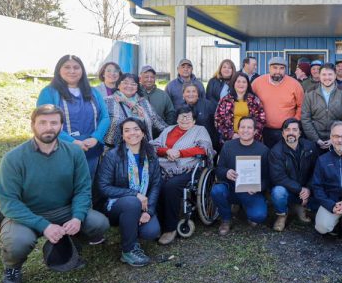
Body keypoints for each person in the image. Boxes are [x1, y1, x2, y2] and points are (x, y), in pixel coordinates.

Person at [0, 105, 110, 283]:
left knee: (99, 223)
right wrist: (44, 226)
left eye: (53, 123)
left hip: (64, 209)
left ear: (61, 126)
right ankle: (12, 268)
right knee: (18, 242)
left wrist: (77, 217)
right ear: (33, 124)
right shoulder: (13, 158)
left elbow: (82, 188)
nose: (48, 127)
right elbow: (9, 202)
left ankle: (73, 244)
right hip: (27, 214)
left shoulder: (74, 153)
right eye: (42, 122)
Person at [96, 117, 161, 267]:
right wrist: (134, 194)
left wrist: (149, 211)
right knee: (132, 202)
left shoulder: (151, 154)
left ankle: (130, 228)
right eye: (127, 130)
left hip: (142, 205)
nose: (132, 133)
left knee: (151, 232)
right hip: (115, 206)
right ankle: (128, 251)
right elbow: (103, 187)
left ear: (143, 133)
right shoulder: (112, 155)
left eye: (136, 129)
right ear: (122, 135)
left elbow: (156, 185)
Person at [37, 55, 110, 176]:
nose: (72, 71)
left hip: (90, 148)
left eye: (76, 67)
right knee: (63, 186)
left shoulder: (93, 92)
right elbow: (45, 123)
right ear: (59, 70)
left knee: (87, 184)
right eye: (67, 67)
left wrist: (95, 138)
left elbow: (105, 117)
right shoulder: (49, 92)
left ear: (82, 71)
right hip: (61, 149)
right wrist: (72, 142)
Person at [152, 106, 214, 245]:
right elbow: (153, 146)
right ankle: (157, 224)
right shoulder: (168, 129)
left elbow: (205, 149)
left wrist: (180, 153)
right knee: (156, 184)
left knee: (170, 187)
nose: (184, 119)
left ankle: (170, 228)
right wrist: (167, 151)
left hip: (189, 168)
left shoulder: (199, 130)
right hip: (164, 166)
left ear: (194, 119)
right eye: (182, 116)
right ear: (177, 117)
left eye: (188, 116)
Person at [212, 117, 271, 235]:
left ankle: (246, 208)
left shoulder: (263, 150)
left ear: (255, 131)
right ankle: (226, 219)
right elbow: (218, 169)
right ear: (238, 130)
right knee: (216, 190)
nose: (245, 130)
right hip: (231, 189)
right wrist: (226, 172)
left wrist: (258, 187)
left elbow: (268, 177)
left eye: (249, 127)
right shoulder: (228, 146)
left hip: (251, 191)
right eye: (242, 127)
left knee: (259, 216)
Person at [268, 118, 319, 231]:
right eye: (287, 129)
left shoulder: (310, 147)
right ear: (283, 133)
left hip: (306, 189)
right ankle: (282, 215)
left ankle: (301, 207)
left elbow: (317, 171)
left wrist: (308, 189)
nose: (291, 132)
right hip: (289, 190)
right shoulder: (276, 152)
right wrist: (300, 189)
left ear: (300, 133)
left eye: (295, 129)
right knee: (278, 192)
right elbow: (278, 178)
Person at [252, 56, 305, 147]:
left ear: (285, 70)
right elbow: (249, 102)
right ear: (269, 68)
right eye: (275, 68)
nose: (278, 71)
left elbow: (302, 105)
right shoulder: (257, 83)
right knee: (266, 157)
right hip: (263, 130)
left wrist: (294, 121)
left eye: (281, 68)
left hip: (286, 130)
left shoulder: (295, 84)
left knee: (285, 157)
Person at [103, 73, 167, 148]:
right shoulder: (108, 101)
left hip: (142, 150)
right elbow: (99, 125)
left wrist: (175, 132)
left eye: (133, 84)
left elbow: (159, 123)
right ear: (118, 85)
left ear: (137, 87)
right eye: (125, 83)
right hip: (114, 151)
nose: (129, 86)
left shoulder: (143, 102)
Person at [301, 63, 342, 151]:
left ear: (335, 75)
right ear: (319, 75)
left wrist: (334, 138)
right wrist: (316, 139)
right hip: (314, 140)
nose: (327, 77)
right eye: (324, 74)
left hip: (337, 141)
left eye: (330, 74)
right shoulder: (310, 93)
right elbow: (305, 118)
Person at [215, 72, 266, 144]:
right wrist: (231, 135)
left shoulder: (254, 100)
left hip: (252, 140)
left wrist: (252, 135)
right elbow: (218, 120)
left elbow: (261, 119)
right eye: (238, 81)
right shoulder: (225, 100)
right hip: (230, 140)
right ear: (234, 83)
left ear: (248, 84)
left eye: (244, 82)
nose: (241, 84)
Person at [182, 82, 220, 151]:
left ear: (198, 94)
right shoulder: (180, 109)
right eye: (188, 91)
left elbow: (217, 125)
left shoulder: (209, 105)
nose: (191, 94)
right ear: (183, 94)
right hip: (188, 146)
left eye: (194, 91)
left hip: (209, 144)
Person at [139, 65, 176, 130]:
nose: (149, 80)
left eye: (152, 77)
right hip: (139, 133)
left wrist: (167, 130)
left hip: (159, 133)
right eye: (146, 77)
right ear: (140, 78)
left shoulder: (163, 94)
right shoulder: (135, 93)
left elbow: (171, 113)